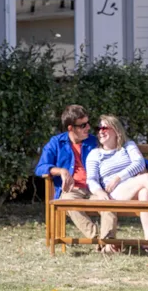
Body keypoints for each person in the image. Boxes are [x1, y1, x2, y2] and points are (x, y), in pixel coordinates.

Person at [86, 115, 148, 253]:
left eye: (104, 128)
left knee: (145, 191)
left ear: (116, 130)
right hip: (113, 194)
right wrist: (100, 192)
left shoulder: (128, 146)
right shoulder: (95, 154)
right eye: (98, 128)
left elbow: (139, 163)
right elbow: (91, 179)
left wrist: (118, 177)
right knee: (146, 178)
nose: (100, 131)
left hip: (132, 190)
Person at [34, 105, 116, 247]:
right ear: (71, 128)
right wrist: (61, 171)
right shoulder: (57, 143)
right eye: (83, 125)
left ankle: (109, 243)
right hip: (71, 190)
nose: (88, 127)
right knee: (68, 202)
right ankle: (100, 240)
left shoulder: (94, 141)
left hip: (95, 187)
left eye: (88, 123)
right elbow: (40, 168)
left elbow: (120, 150)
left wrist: (141, 165)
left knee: (108, 203)